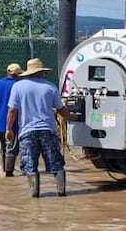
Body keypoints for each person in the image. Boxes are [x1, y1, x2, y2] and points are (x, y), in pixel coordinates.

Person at [5, 58, 74, 197]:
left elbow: (12, 110)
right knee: (56, 163)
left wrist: (9, 129)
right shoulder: (50, 86)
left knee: (30, 165)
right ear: (41, 72)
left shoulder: (18, 87)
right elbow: (61, 110)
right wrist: (73, 118)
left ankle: (35, 195)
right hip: (48, 130)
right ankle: (62, 193)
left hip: (27, 132)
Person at [0, 63, 23, 176]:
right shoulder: (18, 86)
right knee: (12, 148)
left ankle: (3, 168)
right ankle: (9, 173)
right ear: (17, 75)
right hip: (13, 124)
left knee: (2, 148)